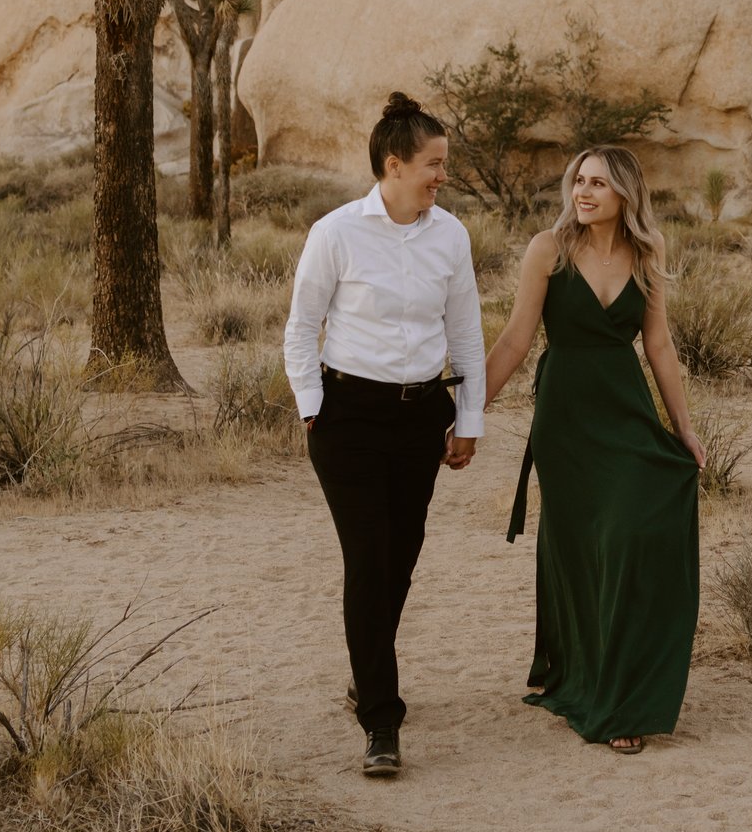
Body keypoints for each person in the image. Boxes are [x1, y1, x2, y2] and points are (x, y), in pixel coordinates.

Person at [283, 93, 486, 778]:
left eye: (444, 164)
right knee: (369, 558)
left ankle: (366, 667)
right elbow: (299, 328)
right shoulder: (335, 233)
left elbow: (465, 334)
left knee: (399, 559)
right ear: (393, 165)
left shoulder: (450, 235)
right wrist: (314, 406)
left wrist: (470, 418)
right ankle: (381, 718)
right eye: (433, 164)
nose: (441, 176)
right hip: (349, 420)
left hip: (421, 414)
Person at [485, 144, 703, 755]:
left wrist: (682, 426)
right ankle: (596, 687)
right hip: (568, 419)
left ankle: (624, 686)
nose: (583, 192)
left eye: (598, 184)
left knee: (633, 534)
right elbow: (514, 338)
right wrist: (466, 408)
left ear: (626, 195)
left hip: (625, 411)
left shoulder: (648, 252)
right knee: (587, 549)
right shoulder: (547, 250)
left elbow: (659, 346)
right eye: (578, 180)